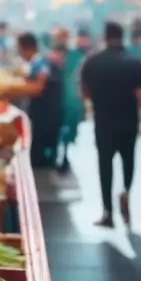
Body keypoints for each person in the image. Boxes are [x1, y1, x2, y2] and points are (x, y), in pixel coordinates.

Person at [81, 22, 141, 227]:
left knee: (105, 165)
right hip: (128, 121)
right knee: (128, 160)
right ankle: (125, 190)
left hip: (103, 122)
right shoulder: (134, 63)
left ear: (104, 37)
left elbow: (85, 93)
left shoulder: (91, 62)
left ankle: (107, 212)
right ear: (123, 37)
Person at [0, 32, 62, 167]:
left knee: (40, 157)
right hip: (43, 112)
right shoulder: (37, 63)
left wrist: (8, 90)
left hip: (46, 113)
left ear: (24, 48)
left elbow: (37, 88)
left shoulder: (42, 63)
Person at [57, 28, 91, 173]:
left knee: (69, 130)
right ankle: (62, 156)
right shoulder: (58, 57)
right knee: (64, 129)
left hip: (72, 100)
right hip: (62, 99)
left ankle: (64, 156)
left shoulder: (77, 56)